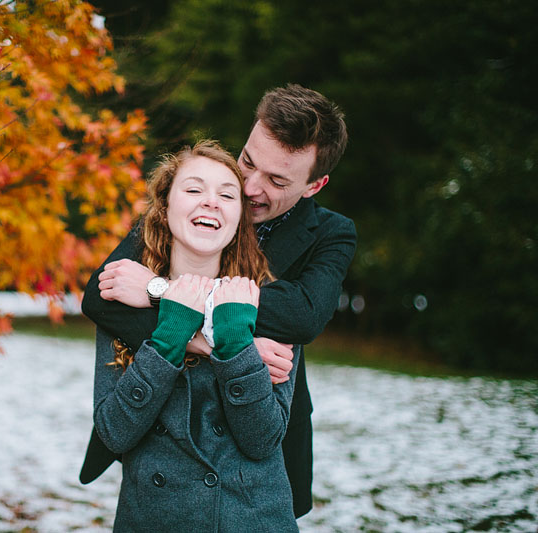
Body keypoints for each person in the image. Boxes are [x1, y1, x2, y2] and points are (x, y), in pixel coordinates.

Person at [80, 84, 357, 519]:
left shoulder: (330, 233)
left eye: (277, 180)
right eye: (248, 161)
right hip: (160, 451)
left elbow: (301, 315)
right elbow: (103, 296)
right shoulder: (194, 197)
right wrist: (211, 340)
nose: (247, 187)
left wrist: (163, 291)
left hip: (257, 444)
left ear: (314, 185)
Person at [92, 139, 300, 531]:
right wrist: (169, 336)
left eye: (227, 194)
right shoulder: (123, 302)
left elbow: (263, 441)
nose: (211, 202)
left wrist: (237, 343)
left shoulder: (268, 305)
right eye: (193, 189)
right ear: (165, 206)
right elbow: (114, 434)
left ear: (239, 217)